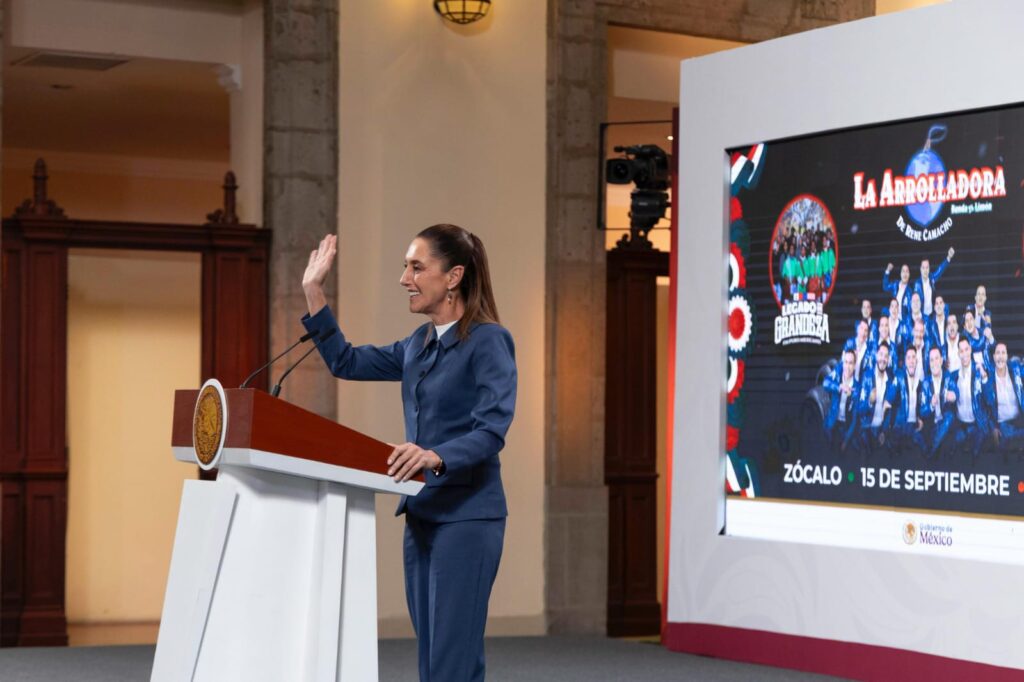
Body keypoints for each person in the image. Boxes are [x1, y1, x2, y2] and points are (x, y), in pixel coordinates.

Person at [300, 226, 516, 681]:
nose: (405, 279)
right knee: (432, 658)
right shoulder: (418, 344)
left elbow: (492, 430)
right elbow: (345, 362)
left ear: (454, 276)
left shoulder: (489, 341)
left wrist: (434, 455)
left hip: (468, 518)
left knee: (452, 661)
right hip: (422, 517)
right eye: (405, 267)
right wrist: (314, 292)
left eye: (417, 267)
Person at [951, 337, 990, 459]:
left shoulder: (979, 372)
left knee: (976, 455)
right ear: (958, 353)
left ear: (970, 350)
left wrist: (984, 377)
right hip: (960, 424)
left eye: (966, 349)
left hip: (976, 423)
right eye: (961, 351)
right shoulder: (954, 376)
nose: (964, 354)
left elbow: (990, 399)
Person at [985, 342, 1024, 458]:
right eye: (998, 353)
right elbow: (986, 407)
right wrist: (993, 427)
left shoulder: (1015, 369)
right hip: (1003, 423)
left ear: (1007, 356)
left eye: (1003, 353)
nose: (1000, 356)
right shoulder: (989, 379)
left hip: (1019, 420)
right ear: (993, 357)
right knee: (1004, 437)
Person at [856, 341, 894, 454]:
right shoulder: (867, 377)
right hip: (867, 428)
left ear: (888, 359)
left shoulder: (890, 380)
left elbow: (889, 412)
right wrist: (869, 401)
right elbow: (859, 410)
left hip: (881, 430)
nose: (883, 359)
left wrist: (884, 432)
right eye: (881, 354)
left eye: (886, 356)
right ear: (876, 355)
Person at [891, 346, 929, 458]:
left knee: (924, 450)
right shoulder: (899, 378)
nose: (911, 361)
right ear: (905, 361)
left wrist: (919, 418)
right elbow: (890, 402)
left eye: (913, 357)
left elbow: (921, 406)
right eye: (908, 358)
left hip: (914, 426)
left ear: (917, 361)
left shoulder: (921, 383)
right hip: (900, 426)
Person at [824, 349, 859, 451]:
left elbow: (855, 419)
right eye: (846, 362)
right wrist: (839, 387)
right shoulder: (836, 376)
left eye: (851, 363)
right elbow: (825, 383)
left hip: (846, 428)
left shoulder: (857, 387)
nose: (847, 367)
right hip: (831, 424)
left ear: (855, 366)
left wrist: (846, 441)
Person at [925, 346, 956, 459]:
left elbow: (955, 392)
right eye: (931, 360)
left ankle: (932, 450)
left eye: (936, 358)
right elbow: (922, 410)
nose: (934, 363)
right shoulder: (926, 382)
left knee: (950, 416)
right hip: (932, 425)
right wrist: (931, 405)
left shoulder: (948, 377)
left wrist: (953, 396)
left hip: (946, 425)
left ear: (942, 360)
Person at [912, 248, 955, 316]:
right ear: (920, 269)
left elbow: (940, 270)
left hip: (932, 314)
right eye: (923, 268)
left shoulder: (931, 278)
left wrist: (948, 257)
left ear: (929, 268)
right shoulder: (917, 284)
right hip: (921, 315)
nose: (925, 270)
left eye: (927, 267)